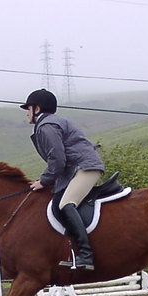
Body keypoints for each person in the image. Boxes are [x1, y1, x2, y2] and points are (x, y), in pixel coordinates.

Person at [21, 88, 104, 270]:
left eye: (28, 108)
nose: (27, 113)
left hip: (85, 167)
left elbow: (58, 159)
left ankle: (86, 255)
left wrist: (44, 181)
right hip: (76, 168)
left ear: (37, 109)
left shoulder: (46, 126)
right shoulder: (51, 122)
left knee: (66, 203)